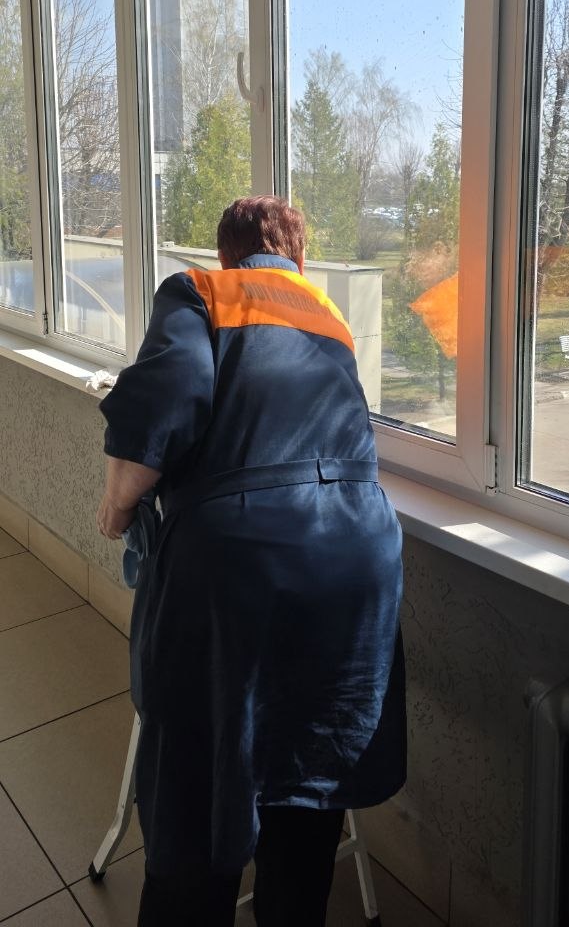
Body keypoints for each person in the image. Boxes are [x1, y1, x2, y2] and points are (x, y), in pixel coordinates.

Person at [96, 195, 406, 927]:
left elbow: (165, 403)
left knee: (201, 788)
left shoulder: (200, 291)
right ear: (297, 257)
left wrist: (116, 506)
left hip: (241, 564)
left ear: (226, 253)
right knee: (309, 772)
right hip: (358, 557)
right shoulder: (328, 317)